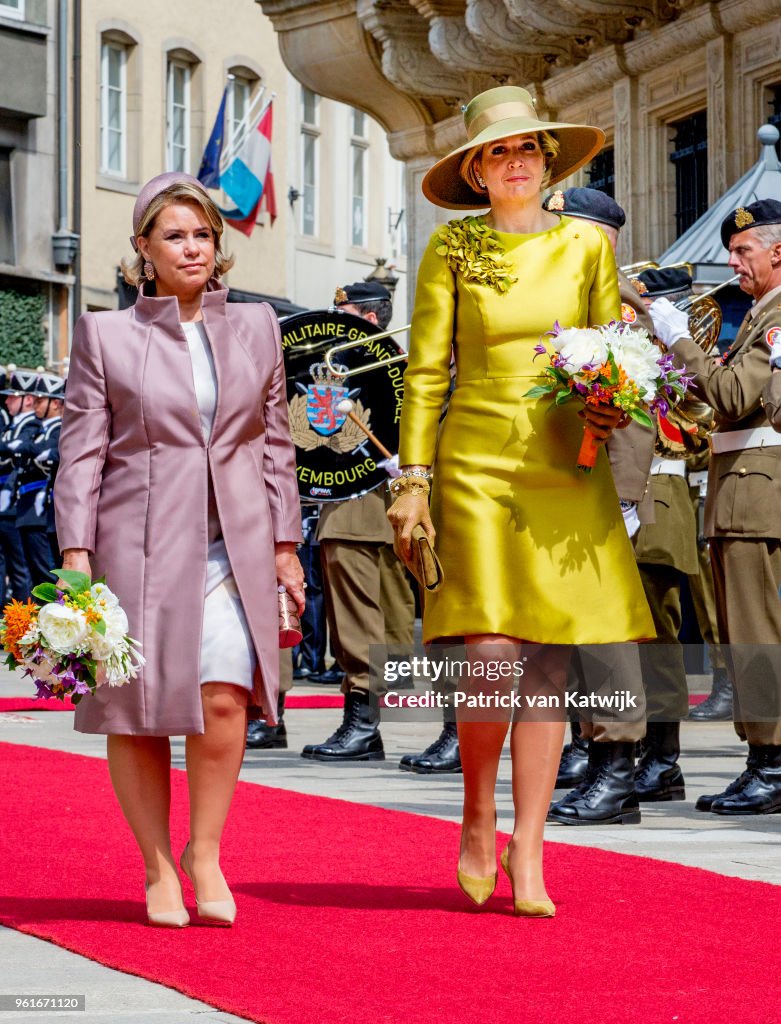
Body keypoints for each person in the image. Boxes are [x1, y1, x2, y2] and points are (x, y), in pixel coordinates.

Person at [389, 87, 653, 916]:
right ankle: (476, 814)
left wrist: (614, 405)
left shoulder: (585, 247)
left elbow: (608, 355)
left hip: (563, 458)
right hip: (472, 455)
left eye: (529, 150)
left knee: (548, 658)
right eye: (499, 152)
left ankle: (528, 845)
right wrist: (412, 477)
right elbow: (427, 370)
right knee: (493, 649)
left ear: (548, 162)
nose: (516, 163)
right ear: (475, 168)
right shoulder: (451, 248)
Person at [55, 172, 303, 926]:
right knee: (137, 712)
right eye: (174, 236)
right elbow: (82, 452)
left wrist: (287, 543)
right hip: (136, 543)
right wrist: (75, 554)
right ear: (143, 250)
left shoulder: (257, 326)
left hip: (236, 543)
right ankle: (156, 865)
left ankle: (205, 851)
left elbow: (275, 445)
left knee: (223, 697)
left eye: (201, 235)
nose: (191, 248)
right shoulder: (106, 335)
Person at [653, 199, 781, 815]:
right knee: (740, 640)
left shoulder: (779, 315)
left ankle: (772, 763)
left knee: (756, 638)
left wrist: (677, 336)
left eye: (743, 251)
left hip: (758, 498)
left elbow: (730, 397)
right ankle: (762, 758)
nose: (732, 262)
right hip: (738, 495)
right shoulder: (760, 314)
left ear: (778, 252)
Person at [541, 187, 654, 817]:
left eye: (570, 230)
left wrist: (629, 501)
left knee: (605, 634)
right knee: (578, 634)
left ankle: (618, 768)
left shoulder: (618, 308)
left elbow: (634, 410)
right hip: (565, 489)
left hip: (607, 492)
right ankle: (598, 757)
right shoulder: (571, 297)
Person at [301, 282, 415, 762]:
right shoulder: (386, 368)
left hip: (361, 507)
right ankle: (367, 723)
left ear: (366, 320)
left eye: (342, 313)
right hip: (385, 504)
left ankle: (363, 726)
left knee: (361, 619)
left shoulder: (382, 370)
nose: (335, 319)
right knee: (384, 616)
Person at [14, 371, 65, 587]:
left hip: (45, 508)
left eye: (41, 399)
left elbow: (50, 453)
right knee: (36, 572)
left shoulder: (59, 429)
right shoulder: (39, 430)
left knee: (47, 572)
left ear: (55, 403)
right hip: (32, 506)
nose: (35, 403)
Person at [0, 368, 38, 604]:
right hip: (6, 505)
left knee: (21, 565)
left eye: (13, 396)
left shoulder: (33, 426)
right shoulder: (12, 426)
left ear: (28, 400)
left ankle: (23, 617)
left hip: (20, 506)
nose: (7, 400)